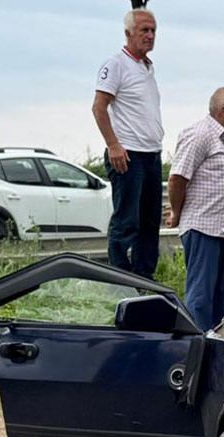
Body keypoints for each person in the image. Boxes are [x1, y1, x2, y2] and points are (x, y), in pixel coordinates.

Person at [165, 87, 224, 332]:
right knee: (201, 297)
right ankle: (198, 344)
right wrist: (177, 212)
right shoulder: (200, 134)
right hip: (203, 227)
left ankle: (217, 346)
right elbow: (177, 177)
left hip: (223, 230)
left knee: (221, 300)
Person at [92, 8, 164, 280]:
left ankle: (145, 278)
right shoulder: (116, 64)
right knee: (127, 222)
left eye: (153, 31)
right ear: (128, 33)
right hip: (128, 154)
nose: (149, 35)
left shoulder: (146, 68)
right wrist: (113, 145)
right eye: (144, 30)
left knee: (149, 222)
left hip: (151, 155)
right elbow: (99, 107)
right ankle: (119, 280)